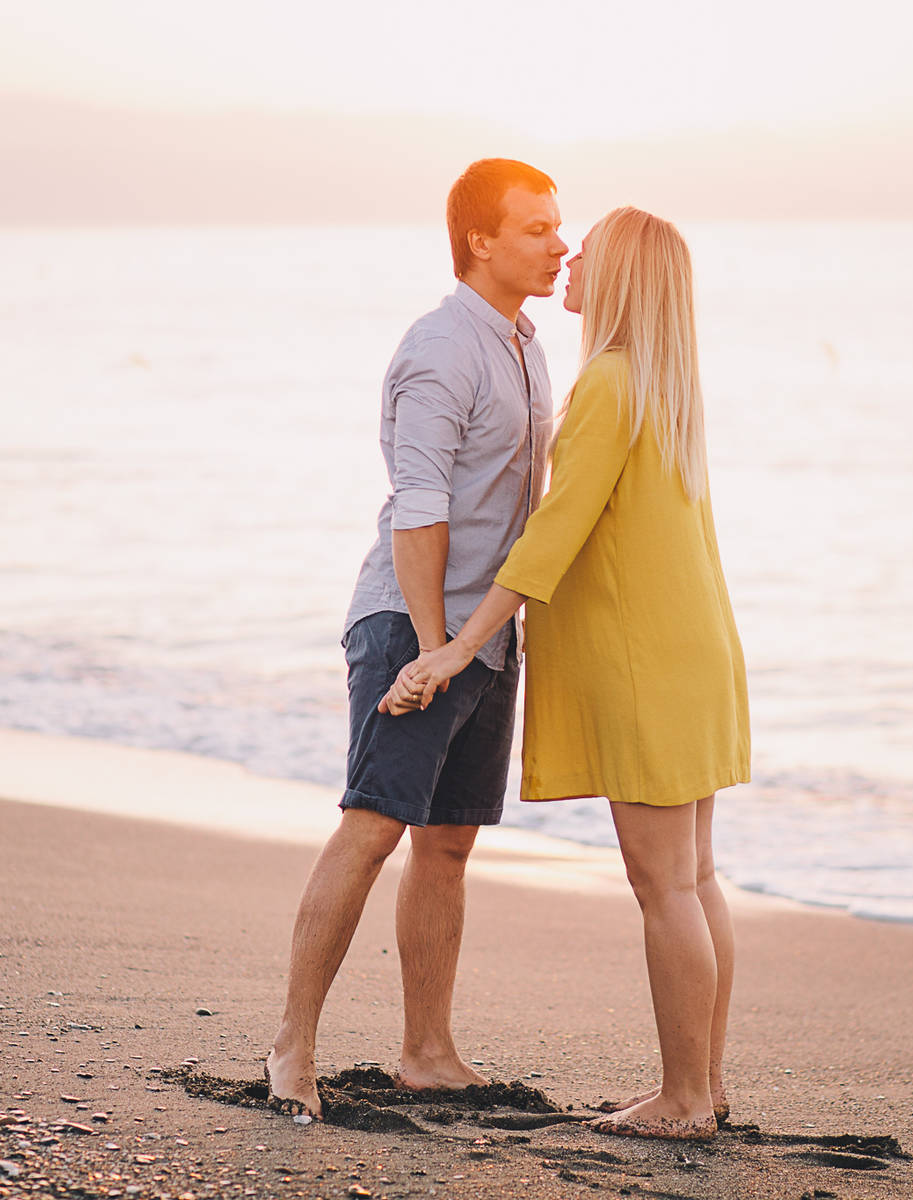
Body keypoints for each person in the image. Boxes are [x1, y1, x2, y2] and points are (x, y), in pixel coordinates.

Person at [383, 206, 750, 1141]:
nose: (570, 257)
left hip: (645, 665)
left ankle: (681, 1101)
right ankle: (703, 1087)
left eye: (588, 249)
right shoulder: (666, 384)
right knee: (695, 879)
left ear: (622, 275)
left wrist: (461, 644)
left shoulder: (610, 383)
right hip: (696, 653)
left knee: (664, 885)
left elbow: (555, 532)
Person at [263, 159, 566, 1119]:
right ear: (480, 240)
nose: (560, 244)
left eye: (558, 227)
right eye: (536, 229)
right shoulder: (442, 348)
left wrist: (482, 642)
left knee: (447, 845)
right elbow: (420, 509)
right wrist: (433, 648)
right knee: (373, 822)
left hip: (482, 632)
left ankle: (427, 1051)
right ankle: (291, 1045)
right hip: (412, 619)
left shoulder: (525, 341)